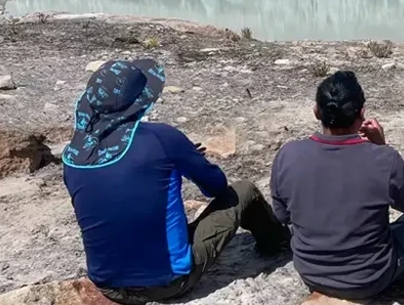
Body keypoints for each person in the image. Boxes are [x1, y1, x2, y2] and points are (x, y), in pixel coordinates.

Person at [62, 59, 290, 305]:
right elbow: (216, 186)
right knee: (243, 190)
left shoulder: (73, 156)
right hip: (166, 282)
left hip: (107, 285)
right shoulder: (161, 138)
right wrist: (184, 156)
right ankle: (277, 243)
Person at [270, 70, 404, 300]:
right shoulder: (383, 159)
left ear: (316, 111)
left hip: (310, 273)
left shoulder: (287, 155)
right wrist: (382, 147)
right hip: (370, 278)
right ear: (362, 114)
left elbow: (283, 215)